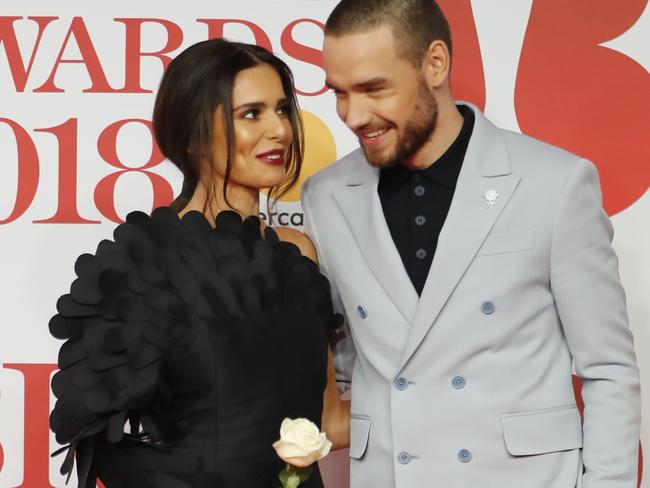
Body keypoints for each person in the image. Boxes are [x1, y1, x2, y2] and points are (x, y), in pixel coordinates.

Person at [300, 1, 641, 487]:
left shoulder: (553, 183)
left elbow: (608, 370)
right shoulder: (325, 196)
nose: (353, 116)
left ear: (434, 63)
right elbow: (346, 363)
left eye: (374, 88)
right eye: (340, 92)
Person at [49, 38, 349, 488]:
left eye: (283, 110)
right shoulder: (147, 264)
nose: (281, 129)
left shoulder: (299, 253)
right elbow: (91, 436)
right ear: (193, 133)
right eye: (252, 114)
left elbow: (327, 421)